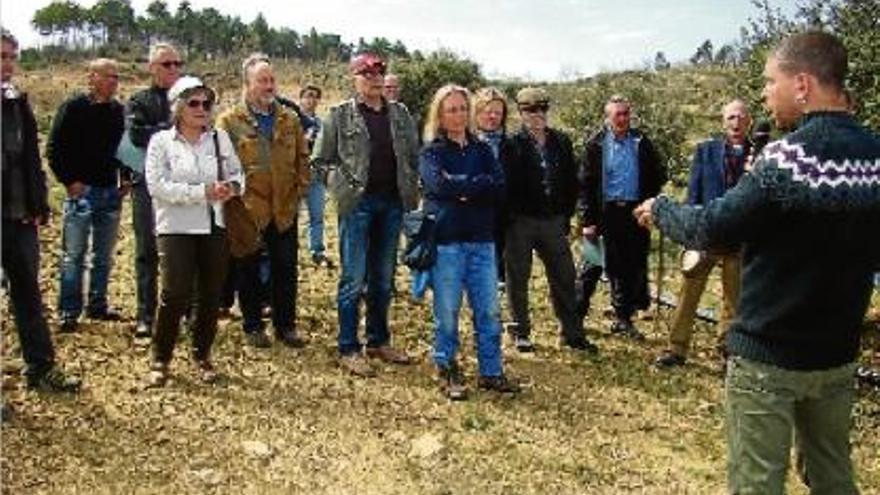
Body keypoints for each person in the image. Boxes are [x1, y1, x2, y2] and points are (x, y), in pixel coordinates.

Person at [634, 31, 880, 494]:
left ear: (802, 85)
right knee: (833, 476)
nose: (765, 94)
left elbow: (715, 228)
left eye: (771, 82)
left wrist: (661, 208)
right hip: (836, 356)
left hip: (770, 355)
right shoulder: (875, 154)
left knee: (756, 484)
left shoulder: (790, 158)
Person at [312, 53, 420, 377]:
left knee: (383, 279)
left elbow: (413, 157)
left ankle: (378, 340)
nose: (374, 79)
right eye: (367, 73)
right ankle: (348, 346)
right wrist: (343, 185)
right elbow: (319, 163)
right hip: (357, 206)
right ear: (354, 78)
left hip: (392, 205)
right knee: (353, 279)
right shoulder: (338, 116)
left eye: (379, 73)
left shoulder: (400, 115)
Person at [419, 84, 518, 400]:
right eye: (451, 109)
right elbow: (437, 185)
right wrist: (475, 186)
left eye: (463, 108)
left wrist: (461, 188)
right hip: (447, 243)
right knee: (447, 311)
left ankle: (491, 371)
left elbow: (500, 187)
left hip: (482, 242)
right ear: (440, 114)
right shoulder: (432, 151)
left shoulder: (482, 150)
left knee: (488, 310)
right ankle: (446, 366)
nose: (458, 115)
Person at [144, 76, 242, 386]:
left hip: (213, 224)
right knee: (175, 292)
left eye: (206, 103)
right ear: (178, 107)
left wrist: (232, 188)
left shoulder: (219, 139)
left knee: (211, 293)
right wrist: (202, 192)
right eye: (194, 103)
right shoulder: (161, 142)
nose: (202, 109)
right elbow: (157, 186)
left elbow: (239, 173)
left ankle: (202, 354)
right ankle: (161, 357)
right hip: (175, 226)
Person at [1, 30, 80, 392]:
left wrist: (37, 205)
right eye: (1, 56)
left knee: (28, 294)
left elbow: (30, 159)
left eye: (11, 57)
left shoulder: (17, 103)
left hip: (19, 218)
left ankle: (41, 367)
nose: (7, 64)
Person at [216, 53, 310, 349]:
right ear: (248, 84)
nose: (270, 86)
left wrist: (299, 192)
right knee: (248, 269)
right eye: (262, 80)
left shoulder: (289, 118)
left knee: (286, 268)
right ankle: (253, 325)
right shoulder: (229, 121)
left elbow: (302, 159)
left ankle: (286, 326)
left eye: (272, 80)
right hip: (248, 211)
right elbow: (222, 164)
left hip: (284, 208)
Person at [655, 99, 752, 368]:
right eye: (731, 117)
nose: (736, 123)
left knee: (735, 299)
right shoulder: (706, 151)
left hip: (739, 237)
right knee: (689, 292)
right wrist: (689, 233)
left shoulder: (760, 154)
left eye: (742, 118)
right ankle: (676, 348)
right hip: (706, 234)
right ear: (723, 121)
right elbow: (693, 194)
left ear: (750, 121)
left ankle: (727, 351)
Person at [500, 87, 597, 354]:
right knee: (518, 278)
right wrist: (509, 219)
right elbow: (505, 185)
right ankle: (520, 331)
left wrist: (565, 214)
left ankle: (572, 332)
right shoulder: (510, 144)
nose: (538, 114)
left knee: (565, 275)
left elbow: (571, 182)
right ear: (520, 112)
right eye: (531, 109)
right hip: (520, 221)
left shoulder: (561, 142)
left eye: (542, 108)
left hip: (552, 221)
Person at [48, 57, 128, 333]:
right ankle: (69, 311)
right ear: (91, 77)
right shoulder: (73, 108)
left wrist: (125, 181)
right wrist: (69, 182)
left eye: (116, 77)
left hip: (109, 191)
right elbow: (54, 148)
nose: (113, 82)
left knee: (103, 255)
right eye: (108, 76)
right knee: (74, 254)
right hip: (82, 192)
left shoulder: (119, 111)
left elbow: (125, 152)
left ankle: (98, 305)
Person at [577, 94, 666, 340]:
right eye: (618, 114)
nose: (623, 119)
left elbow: (657, 174)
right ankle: (575, 317)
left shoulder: (641, 141)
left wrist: (649, 206)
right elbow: (585, 184)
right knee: (591, 264)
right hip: (603, 213)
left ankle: (622, 319)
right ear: (608, 118)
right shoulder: (595, 145)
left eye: (626, 113)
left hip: (633, 213)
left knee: (628, 267)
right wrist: (587, 221)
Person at [124, 42, 184, 340]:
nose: (173, 69)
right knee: (147, 252)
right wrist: (173, 132)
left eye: (177, 63)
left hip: (185, 186)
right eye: (167, 64)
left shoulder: (190, 99)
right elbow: (137, 135)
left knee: (183, 251)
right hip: (147, 187)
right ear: (152, 68)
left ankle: (183, 313)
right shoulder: (139, 101)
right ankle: (146, 315)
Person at [473, 87, 510, 290]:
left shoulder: (512, 143)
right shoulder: (466, 141)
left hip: (504, 207)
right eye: (488, 111)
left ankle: (500, 277)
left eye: (498, 112)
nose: (493, 116)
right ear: (477, 112)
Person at [298, 83, 334, 268]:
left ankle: (317, 252)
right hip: (294, 178)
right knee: (289, 218)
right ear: (301, 98)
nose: (311, 100)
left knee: (317, 217)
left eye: (315, 96)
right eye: (308, 95)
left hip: (316, 178)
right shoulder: (291, 122)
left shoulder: (322, 125)